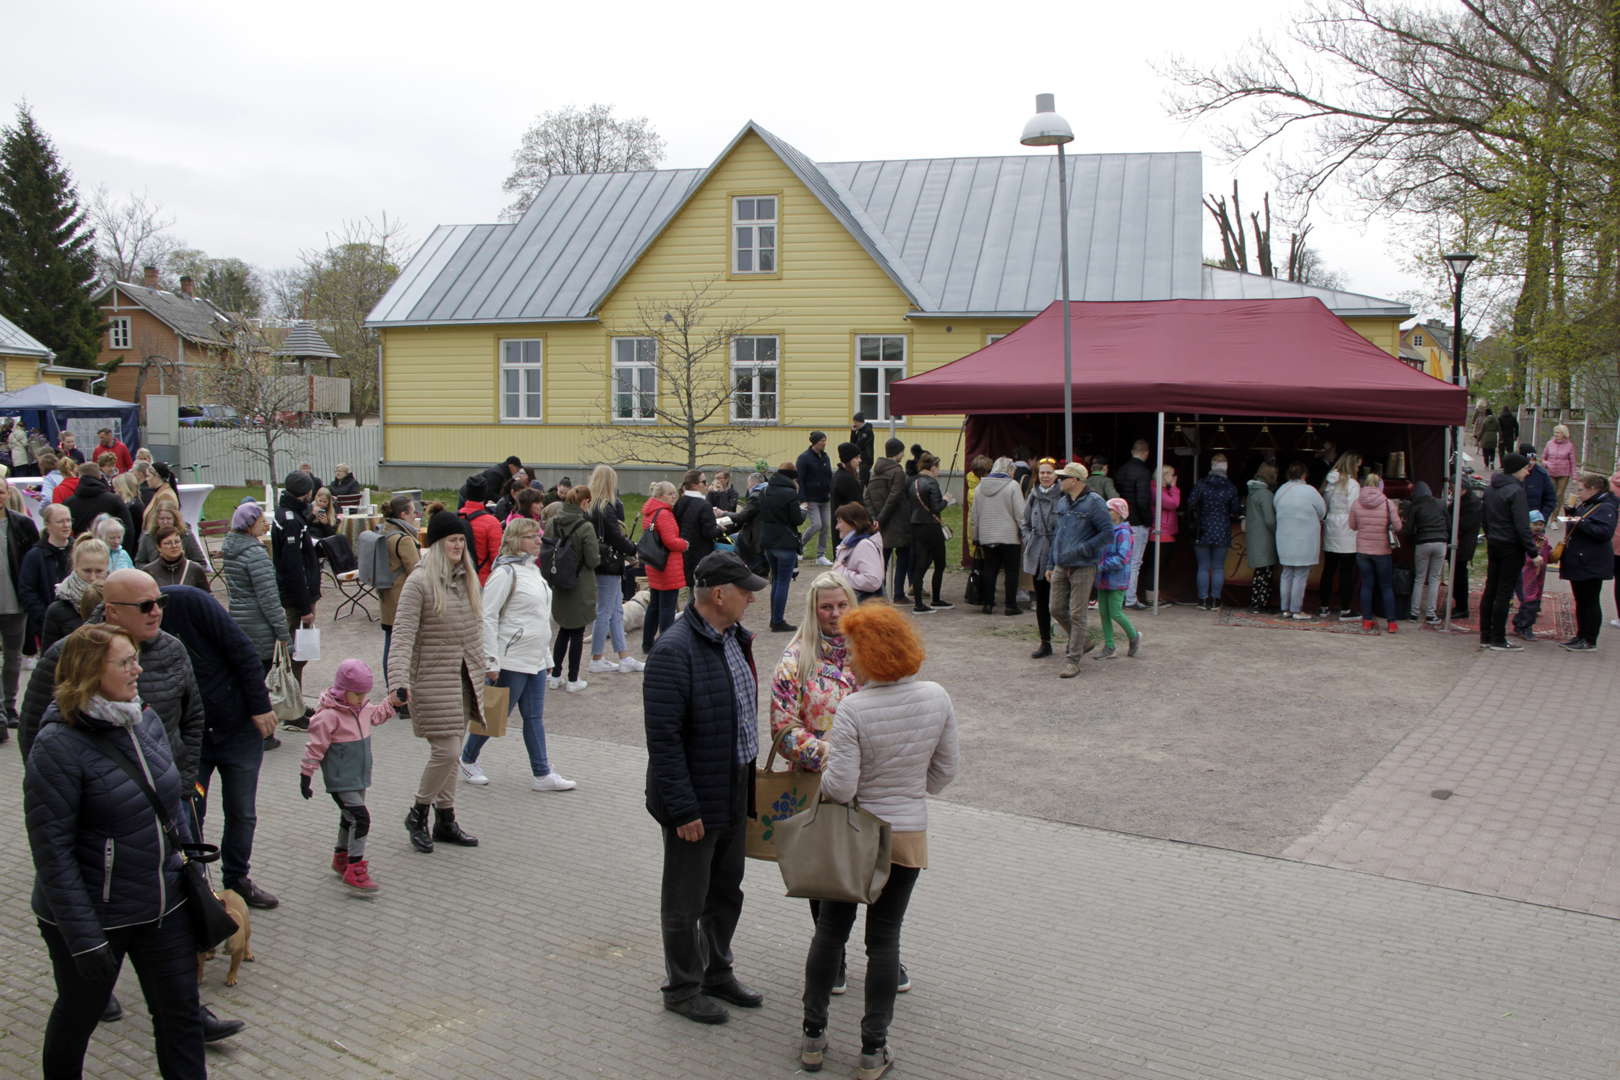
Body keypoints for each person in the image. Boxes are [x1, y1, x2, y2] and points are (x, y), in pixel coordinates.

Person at [24, 624, 207, 1078]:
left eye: (135, 659)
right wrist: (84, 938)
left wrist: (191, 874)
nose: (137, 670)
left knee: (181, 1016)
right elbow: (52, 852)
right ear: (90, 671)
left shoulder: (143, 718)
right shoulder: (57, 745)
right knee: (79, 1014)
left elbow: (171, 807)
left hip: (162, 904)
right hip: (95, 915)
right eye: (125, 662)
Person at [797, 600, 958, 1079]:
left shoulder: (853, 708)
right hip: (906, 837)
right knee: (885, 941)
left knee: (830, 933)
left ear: (869, 653)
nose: (847, 656)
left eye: (851, 649)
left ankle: (812, 1036)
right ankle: (873, 1050)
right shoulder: (937, 697)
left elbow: (841, 787)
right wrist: (909, 787)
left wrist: (835, 774)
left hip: (855, 837)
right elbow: (943, 774)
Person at [643, 551, 768, 1025]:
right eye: (745, 592)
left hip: (733, 784)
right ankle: (682, 987)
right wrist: (683, 809)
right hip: (694, 796)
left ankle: (717, 971)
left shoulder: (733, 637)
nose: (751, 599)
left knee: (726, 889)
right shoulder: (673, 650)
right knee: (686, 898)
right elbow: (664, 741)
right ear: (718, 595)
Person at [159, 583, 281, 908]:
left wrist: (260, 706)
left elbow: (244, 652)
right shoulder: (126, 630)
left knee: (241, 812)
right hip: (190, 738)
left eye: (152, 604)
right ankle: (197, 887)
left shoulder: (190, 601)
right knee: (189, 813)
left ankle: (237, 879)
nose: (150, 613)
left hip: (237, 726)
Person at [387, 511, 485, 852]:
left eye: (461, 540)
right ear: (437, 544)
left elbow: (477, 627)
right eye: (451, 540)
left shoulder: (466, 578)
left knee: (452, 752)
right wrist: (397, 681)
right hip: (431, 681)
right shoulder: (419, 582)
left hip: (463, 680)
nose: (458, 546)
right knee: (448, 751)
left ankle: (446, 820)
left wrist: (488, 663)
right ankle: (418, 813)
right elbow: (402, 636)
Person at [460, 518, 576, 792]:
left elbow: (540, 618)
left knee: (533, 717)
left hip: (534, 659)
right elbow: (487, 617)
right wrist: (491, 660)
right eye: (530, 536)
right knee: (496, 713)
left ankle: (542, 774)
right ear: (515, 540)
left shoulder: (533, 570)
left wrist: (546, 658)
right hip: (510, 659)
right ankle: (467, 758)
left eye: (538, 535)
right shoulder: (505, 572)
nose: (538, 540)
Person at [300, 658, 393, 892]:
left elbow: (378, 715)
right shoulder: (328, 716)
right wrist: (306, 776)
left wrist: (393, 701)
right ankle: (355, 869)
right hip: (341, 781)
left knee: (349, 818)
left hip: (359, 778)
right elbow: (315, 747)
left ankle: (340, 857)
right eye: (357, 694)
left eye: (364, 694)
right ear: (342, 690)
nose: (361, 699)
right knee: (361, 819)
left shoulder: (362, 710)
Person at [1047, 462, 1112, 678]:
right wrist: (1051, 563)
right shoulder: (1063, 501)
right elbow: (1057, 534)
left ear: (1074, 481)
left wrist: (1084, 549)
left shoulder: (1095, 502)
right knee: (1056, 609)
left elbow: (1107, 533)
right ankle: (1083, 642)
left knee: (1078, 613)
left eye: (1062, 478)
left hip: (1083, 565)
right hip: (1061, 564)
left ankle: (1073, 661)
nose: (1058, 481)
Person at [588, 464, 646, 674]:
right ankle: (597, 658)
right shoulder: (605, 507)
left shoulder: (591, 506)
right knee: (605, 611)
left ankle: (624, 657)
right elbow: (616, 536)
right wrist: (633, 548)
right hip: (608, 564)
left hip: (600, 563)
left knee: (614, 611)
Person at [1479, 453, 1540, 651]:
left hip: (1495, 543)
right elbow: (1523, 526)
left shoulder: (1490, 489)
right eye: (1525, 469)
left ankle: (1486, 635)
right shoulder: (1516, 491)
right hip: (1511, 547)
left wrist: (1491, 536)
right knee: (1504, 593)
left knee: (1491, 589)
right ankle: (1498, 638)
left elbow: (1484, 518)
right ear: (1516, 470)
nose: (1527, 472)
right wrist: (1533, 552)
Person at [547, 486, 602, 691]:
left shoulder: (552, 522)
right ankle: (573, 678)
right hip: (580, 584)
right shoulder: (585, 526)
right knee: (577, 631)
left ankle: (555, 675)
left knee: (563, 629)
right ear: (585, 502)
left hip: (558, 580)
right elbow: (593, 560)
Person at [1557, 473, 1619, 651]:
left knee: (1590, 600)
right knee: (1581, 600)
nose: (1578, 493)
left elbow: (1605, 532)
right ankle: (1580, 636)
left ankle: (1590, 640)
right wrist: (1572, 513)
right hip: (1580, 558)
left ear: (1593, 489)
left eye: (1580, 490)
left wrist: (1581, 521)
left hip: (1592, 561)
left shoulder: (1606, 506)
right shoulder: (1589, 503)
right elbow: (1582, 523)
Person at [273, 469, 323, 685]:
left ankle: (294, 698)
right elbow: (293, 566)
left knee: (298, 654)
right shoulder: (291, 520)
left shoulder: (287, 513)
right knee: (297, 655)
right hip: (297, 598)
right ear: (307, 491)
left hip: (296, 594)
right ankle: (293, 700)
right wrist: (304, 608)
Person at [0, 476, 38, 734]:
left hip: (14, 603)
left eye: (1, 491)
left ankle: (9, 705)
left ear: (8, 493)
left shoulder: (22, 524)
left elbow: (33, 561)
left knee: (13, 657)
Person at [1186, 453, 1245, 610]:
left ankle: (1203, 600)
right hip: (1222, 528)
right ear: (1226, 467)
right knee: (1218, 567)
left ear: (1212, 467)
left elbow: (1190, 502)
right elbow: (1235, 509)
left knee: (1203, 566)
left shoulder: (1201, 484)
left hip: (1201, 528)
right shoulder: (1230, 487)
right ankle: (1215, 600)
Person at [1347, 471, 1404, 632]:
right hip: (1382, 551)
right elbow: (1398, 527)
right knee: (1386, 586)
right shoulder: (1387, 503)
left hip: (1363, 551)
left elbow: (1352, 526)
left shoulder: (1357, 503)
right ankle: (1391, 623)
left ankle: (1367, 620)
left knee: (1367, 585)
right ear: (1380, 485)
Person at [969, 455, 1026, 616]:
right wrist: (1024, 532)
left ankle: (988, 604)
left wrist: (976, 537)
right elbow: (1020, 514)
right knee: (1012, 571)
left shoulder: (980, 488)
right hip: (1009, 536)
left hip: (988, 535)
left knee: (990, 570)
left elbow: (974, 516)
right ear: (1009, 470)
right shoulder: (1013, 486)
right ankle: (1010, 605)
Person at [375, 495, 422, 681]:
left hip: (387, 596)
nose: (416, 516)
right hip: (402, 599)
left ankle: (391, 684)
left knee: (390, 642)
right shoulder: (403, 539)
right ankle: (397, 684)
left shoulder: (384, 531)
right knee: (400, 647)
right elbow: (416, 572)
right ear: (403, 514)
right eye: (414, 512)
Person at [1273, 461, 1327, 619]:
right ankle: (1297, 610)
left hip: (1284, 537)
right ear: (1304, 475)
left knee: (1287, 573)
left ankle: (1286, 609)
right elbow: (1322, 511)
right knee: (1301, 574)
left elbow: (1275, 508)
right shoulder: (1310, 491)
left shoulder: (1281, 490)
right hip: (1305, 538)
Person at [641, 480, 691, 648]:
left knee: (654, 604)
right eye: (669, 494)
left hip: (654, 563)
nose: (673, 496)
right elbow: (670, 541)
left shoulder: (650, 512)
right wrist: (683, 543)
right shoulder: (664, 513)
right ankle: (667, 644)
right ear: (659, 496)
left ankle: (648, 642)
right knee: (667, 607)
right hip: (668, 564)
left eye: (674, 493)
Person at [21, 504, 74, 660]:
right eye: (60, 521)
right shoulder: (35, 555)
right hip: (49, 625)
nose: (66, 525)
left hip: (78, 621)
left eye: (68, 520)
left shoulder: (79, 550)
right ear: (48, 525)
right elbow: (27, 590)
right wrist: (45, 617)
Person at [757, 464, 806, 632]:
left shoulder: (764, 491)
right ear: (792, 478)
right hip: (785, 542)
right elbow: (797, 519)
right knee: (783, 583)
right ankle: (777, 620)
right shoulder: (790, 493)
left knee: (776, 580)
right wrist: (803, 511)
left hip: (768, 541)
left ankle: (774, 618)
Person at [864, 438, 911, 603]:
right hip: (898, 523)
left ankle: (880, 596)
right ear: (897, 452)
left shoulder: (875, 472)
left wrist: (875, 519)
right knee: (903, 558)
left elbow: (867, 497)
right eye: (902, 451)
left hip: (881, 526)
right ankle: (898, 594)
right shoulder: (898, 472)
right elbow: (894, 498)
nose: (903, 455)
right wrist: (881, 519)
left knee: (881, 562)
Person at [1094, 498, 1143, 659]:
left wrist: (1099, 566)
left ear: (1119, 513)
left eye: (1109, 510)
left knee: (1116, 612)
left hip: (1117, 580)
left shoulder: (1124, 532)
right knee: (1104, 613)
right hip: (1102, 579)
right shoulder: (1105, 531)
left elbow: (1123, 558)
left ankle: (1134, 636)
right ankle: (1109, 646)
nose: (1106, 512)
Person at [1021, 458, 1061, 656]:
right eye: (1042, 472)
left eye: (1049, 472)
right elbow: (1025, 521)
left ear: (1056, 475)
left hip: (1058, 553)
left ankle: (1074, 641)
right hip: (1037, 553)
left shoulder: (1063, 496)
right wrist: (1029, 539)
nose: (1045, 476)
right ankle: (1045, 641)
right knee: (1042, 600)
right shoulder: (1033, 495)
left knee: (1061, 602)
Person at [42, 535, 108, 651]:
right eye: (86, 570)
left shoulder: (120, 601)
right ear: (76, 566)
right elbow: (49, 656)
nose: (92, 577)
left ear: (107, 567)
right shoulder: (57, 609)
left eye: (99, 571)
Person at [908, 453, 956, 614]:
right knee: (940, 564)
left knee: (920, 566)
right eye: (938, 468)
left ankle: (918, 604)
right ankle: (936, 600)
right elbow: (936, 508)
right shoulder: (932, 483)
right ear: (933, 467)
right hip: (932, 528)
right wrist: (946, 501)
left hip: (917, 527)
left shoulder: (914, 483)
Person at [1320, 452, 1363, 619]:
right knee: (1346, 571)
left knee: (1329, 569)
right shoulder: (1352, 484)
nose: (1358, 468)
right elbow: (1354, 508)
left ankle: (1324, 606)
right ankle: (1345, 609)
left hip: (1331, 524)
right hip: (1347, 527)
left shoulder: (1330, 481)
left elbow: (1324, 504)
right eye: (1357, 465)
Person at [1114, 440, 1154, 608]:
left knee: (1121, 560)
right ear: (1147, 453)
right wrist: (1148, 521)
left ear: (1132, 451)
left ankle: (1119, 597)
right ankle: (1130, 599)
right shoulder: (1143, 473)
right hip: (1137, 522)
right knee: (1134, 562)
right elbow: (1143, 501)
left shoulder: (1120, 470)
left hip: (1121, 521)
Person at [1407, 481, 1449, 625]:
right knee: (1434, 578)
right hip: (1440, 541)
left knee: (1419, 578)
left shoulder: (1415, 506)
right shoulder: (1441, 503)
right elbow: (1449, 524)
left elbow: (1408, 529)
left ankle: (1414, 613)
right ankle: (1431, 614)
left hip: (1423, 542)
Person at [674, 469, 721, 591]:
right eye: (704, 482)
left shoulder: (680, 502)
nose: (707, 484)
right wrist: (720, 529)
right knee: (700, 589)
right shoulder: (704, 505)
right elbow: (710, 532)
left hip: (684, 550)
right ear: (694, 485)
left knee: (693, 588)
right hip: (700, 552)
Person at [1510, 512, 1554, 641]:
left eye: (1541, 524)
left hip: (1539, 575)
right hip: (1525, 575)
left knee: (1535, 600)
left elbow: (1549, 551)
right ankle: (1525, 626)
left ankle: (1519, 622)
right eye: (1535, 524)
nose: (1538, 527)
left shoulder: (1543, 538)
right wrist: (1534, 551)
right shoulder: (1524, 539)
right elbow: (1521, 556)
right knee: (1529, 600)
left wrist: (1556, 553)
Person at [63, 462, 133, 539]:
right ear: (99, 476)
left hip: (81, 544)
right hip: (108, 545)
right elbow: (128, 529)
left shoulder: (69, 502)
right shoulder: (114, 500)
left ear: (79, 477)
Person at [1244, 462, 1279, 614]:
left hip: (1255, 536)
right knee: (1266, 572)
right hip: (1265, 538)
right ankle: (1260, 603)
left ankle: (1257, 602)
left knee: (1260, 572)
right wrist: (1278, 532)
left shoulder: (1252, 492)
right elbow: (1270, 520)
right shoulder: (1266, 494)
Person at [832, 503, 885, 601]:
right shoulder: (850, 545)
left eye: (840, 522)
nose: (837, 527)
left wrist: (841, 573)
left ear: (853, 524)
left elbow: (873, 581)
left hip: (865, 607)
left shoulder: (864, 545)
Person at [1146, 465, 1181, 607]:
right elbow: (1173, 503)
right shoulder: (1155, 490)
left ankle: (1155, 596)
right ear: (1164, 475)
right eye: (1172, 475)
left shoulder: (1161, 490)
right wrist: (1174, 487)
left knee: (1159, 567)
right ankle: (1151, 599)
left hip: (1166, 532)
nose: (1174, 478)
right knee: (1155, 567)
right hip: (1160, 533)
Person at [798, 431, 835, 564]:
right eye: (822, 441)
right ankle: (799, 546)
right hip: (811, 498)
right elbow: (800, 479)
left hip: (824, 498)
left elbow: (829, 477)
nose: (824, 443)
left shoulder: (825, 457)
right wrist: (803, 499)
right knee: (816, 525)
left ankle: (821, 556)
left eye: (825, 440)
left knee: (825, 526)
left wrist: (831, 492)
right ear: (815, 442)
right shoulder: (804, 458)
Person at [458, 474, 502, 585]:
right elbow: (496, 558)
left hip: (457, 580)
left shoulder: (454, 518)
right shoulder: (492, 522)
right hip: (482, 581)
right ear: (484, 495)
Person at [135, 499, 205, 566]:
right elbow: (139, 563)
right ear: (156, 519)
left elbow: (200, 562)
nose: (165, 522)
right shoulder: (148, 537)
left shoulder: (186, 535)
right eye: (161, 518)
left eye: (168, 518)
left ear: (175, 518)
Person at [143, 525, 211, 592]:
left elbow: (206, 596)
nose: (174, 546)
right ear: (159, 547)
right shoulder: (149, 571)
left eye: (177, 542)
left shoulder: (195, 569)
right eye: (168, 543)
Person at [460, 455, 524, 510]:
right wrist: (502, 501)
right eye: (517, 469)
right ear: (511, 466)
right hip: (468, 494)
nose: (517, 471)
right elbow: (489, 492)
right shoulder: (496, 473)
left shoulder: (504, 473)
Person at [1542, 424, 1578, 518]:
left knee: (1559, 496)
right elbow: (1543, 458)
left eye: (1558, 432)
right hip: (1551, 473)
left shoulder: (1569, 445)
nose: (1556, 434)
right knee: (1551, 494)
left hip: (1564, 474)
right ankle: (1545, 516)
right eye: (1555, 432)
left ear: (1564, 434)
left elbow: (1573, 462)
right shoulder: (1549, 444)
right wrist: (1547, 464)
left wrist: (1574, 477)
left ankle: (1554, 519)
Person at [1518, 442, 1557, 525]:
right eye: (1529, 459)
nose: (1531, 463)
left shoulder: (1542, 475)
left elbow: (1551, 499)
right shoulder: (1514, 474)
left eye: (1534, 460)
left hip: (1535, 523)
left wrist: (1542, 518)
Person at [832, 442, 864, 514]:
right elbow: (858, 505)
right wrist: (869, 519)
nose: (860, 460)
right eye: (857, 458)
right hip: (848, 519)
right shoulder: (847, 479)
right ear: (848, 459)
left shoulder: (838, 475)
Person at [850, 413, 876, 487]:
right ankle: (871, 492)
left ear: (861, 422)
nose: (854, 424)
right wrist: (853, 432)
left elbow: (858, 445)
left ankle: (859, 494)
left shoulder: (868, 432)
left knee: (861, 480)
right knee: (867, 480)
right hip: (861, 459)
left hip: (866, 459)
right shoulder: (859, 431)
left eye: (856, 422)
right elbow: (852, 444)